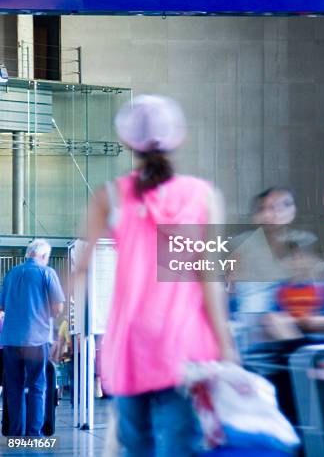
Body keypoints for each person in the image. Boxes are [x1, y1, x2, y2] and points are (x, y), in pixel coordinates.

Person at [76, 95, 236, 456]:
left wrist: (62, 328)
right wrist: (225, 343)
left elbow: (81, 268)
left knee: (135, 446)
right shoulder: (202, 196)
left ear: (127, 143)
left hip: (129, 347)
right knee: (181, 445)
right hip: (183, 347)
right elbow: (207, 274)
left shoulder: (109, 197)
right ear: (180, 139)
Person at [0, 239, 65, 437]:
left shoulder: (11, 274)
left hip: (10, 339)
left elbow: (2, 306)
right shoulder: (47, 273)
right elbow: (58, 307)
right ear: (44, 256)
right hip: (36, 340)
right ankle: (34, 434)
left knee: (14, 388)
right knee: (37, 386)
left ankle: (15, 433)